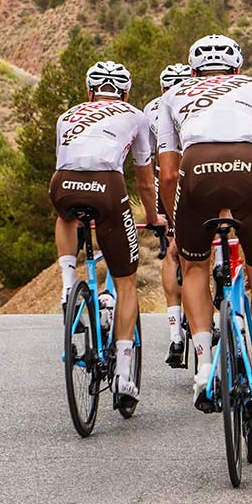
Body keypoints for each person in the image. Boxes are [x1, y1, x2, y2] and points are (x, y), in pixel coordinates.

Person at [157, 34, 252, 416]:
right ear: (237, 68)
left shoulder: (173, 96)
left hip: (195, 170)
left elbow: (168, 176)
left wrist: (176, 228)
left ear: (193, 70)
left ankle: (204, 367)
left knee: (195, 267)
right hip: (248, 165)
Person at [50, 60, 167, 409]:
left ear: (89, 92)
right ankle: (124, 374)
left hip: (63, 185)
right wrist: (155, 217)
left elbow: (67, 160)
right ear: (126, 93)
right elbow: (145, 180)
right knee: (126, 280)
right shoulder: (136, 115)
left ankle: (68, 284)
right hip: (106, 185)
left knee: (66, 215)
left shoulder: (67, 115)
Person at [144, 63, 193, 368]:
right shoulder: (201, 97)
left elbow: (148, 162)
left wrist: (157, 209)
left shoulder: (153, 108)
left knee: (173, 254)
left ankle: (176, 333)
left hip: (167, 182)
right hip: (204, 177)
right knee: (210, 245)